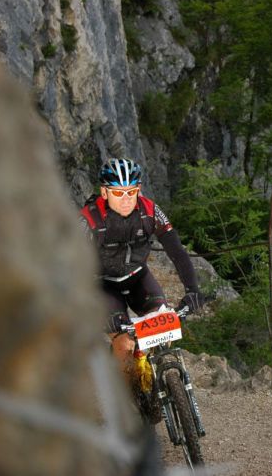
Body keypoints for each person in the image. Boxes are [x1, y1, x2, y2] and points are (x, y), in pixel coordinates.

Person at [79, 157, 205, 380]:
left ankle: (162, 384)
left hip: (138, 277)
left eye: (132, 192)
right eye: (118, 193)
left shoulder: (150, 210)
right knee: (125, 344)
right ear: (104, 192)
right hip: (104, 285)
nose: (126, 199)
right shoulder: (89, 219)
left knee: (164, 333)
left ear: (139, 189)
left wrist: (193, 290)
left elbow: (177, 252)